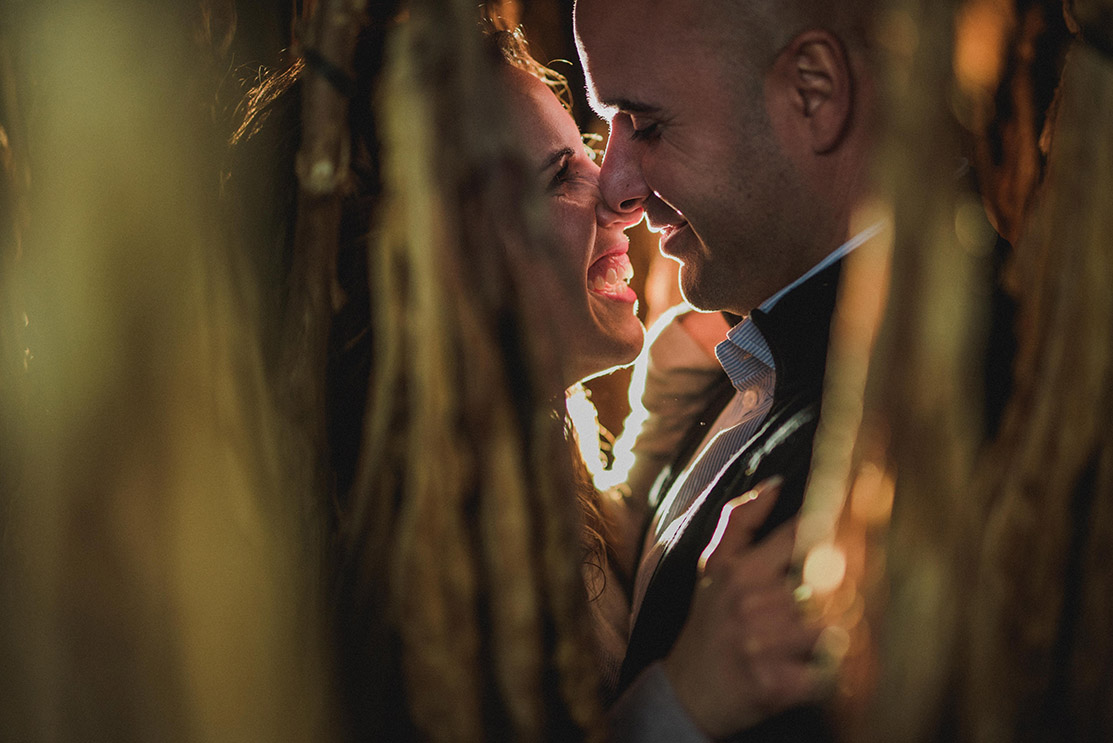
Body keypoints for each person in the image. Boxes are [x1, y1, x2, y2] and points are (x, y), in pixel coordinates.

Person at [573, 0, 883, 738]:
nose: (614, 187)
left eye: (645, 125)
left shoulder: (875, 446)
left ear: (814, 92)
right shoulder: (743, 363)